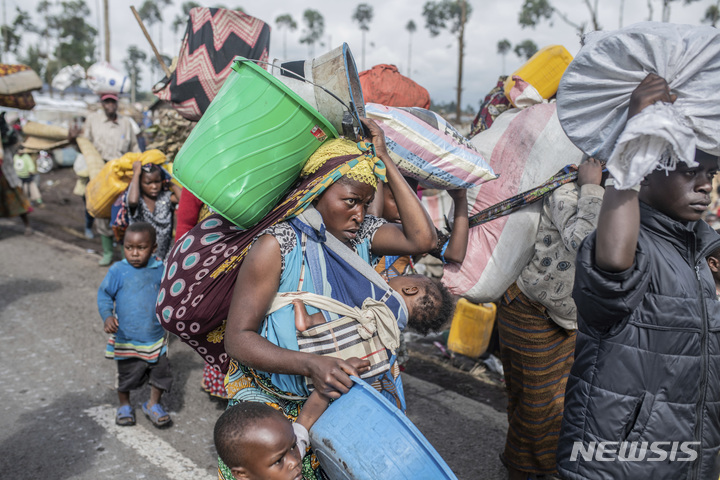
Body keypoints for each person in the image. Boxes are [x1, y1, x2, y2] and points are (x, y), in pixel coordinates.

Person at [220, 118, 447, 479]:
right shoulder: (279, 245)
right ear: (318, 190)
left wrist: (384, 159)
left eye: (366, 204)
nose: (359, 214)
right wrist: (311, 365)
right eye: (350, 202)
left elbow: (423, 240)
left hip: (338, 409)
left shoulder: (360, 241)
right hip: (278, 417)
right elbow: (238, 339)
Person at [557, 74, 720, 479]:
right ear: (644, 175)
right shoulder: (633, 246)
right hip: (619, 459)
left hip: (684, 455)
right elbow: (612, 263)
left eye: (712, 175)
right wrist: (634, 138)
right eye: (690, 171)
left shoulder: (697, 254)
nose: (705, 186)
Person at [496, 158, 605, 480]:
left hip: (568, 319)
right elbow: (583, 241)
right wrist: (591, 185)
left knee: (541, 404)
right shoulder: (566, 189)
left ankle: (522, 465)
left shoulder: (613, 197)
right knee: (538, 405)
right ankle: (526, 470)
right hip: (531, 310)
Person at [214, 358, 369, 480]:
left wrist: (338, 375)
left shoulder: (283, 449)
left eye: (294, 445)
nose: (294, 461)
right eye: (278, 461)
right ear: (242, 475)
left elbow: (307, 417)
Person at [97, 222, 172, 428]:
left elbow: (170, 295)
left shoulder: (160, 270)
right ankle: (124, 405)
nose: (135, 254)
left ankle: (153, 404)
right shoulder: (118, 271)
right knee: (127, 374)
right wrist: (107, 316)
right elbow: (104, 295)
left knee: (160, 373)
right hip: (127, 338)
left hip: (155, 336)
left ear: (154, 248)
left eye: (141, 248)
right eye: (129, 248)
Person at [74, 93, 140, 266]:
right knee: (102, 211)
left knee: (123, 211)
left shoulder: (125, 123)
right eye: (107, 101)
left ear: (117, 103)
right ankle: (108, 252)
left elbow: (134, 147)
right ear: (102, 104)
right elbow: (84, 144)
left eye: (113, 101)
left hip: (121, 173)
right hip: (100, 172)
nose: (110, 104)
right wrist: (74, 140)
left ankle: (124, 253)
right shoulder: (93, 120)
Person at [293, 273, 453, 336]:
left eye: (410, 275)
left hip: (345, 324)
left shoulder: (387, 299)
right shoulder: (396, 327)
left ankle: (310, 320)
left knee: (349, 309)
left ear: (410, 289)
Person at [121, 161, 181, 260]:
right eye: (148, 183)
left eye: (157, 182)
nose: (154, 186)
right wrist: (136, 173)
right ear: (140, 183)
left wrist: (168, 179)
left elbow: (183, 199)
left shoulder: (165, 197)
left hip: (163, 257)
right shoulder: (138, 200)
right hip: (140, 259)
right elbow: (132, 201)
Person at [0, 112, 31, 235]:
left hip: (6, 175)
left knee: (18, 199)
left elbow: (17, 142)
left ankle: (27, 225)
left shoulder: (7, 135)